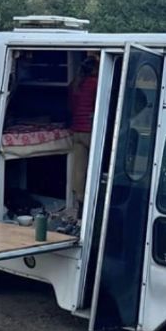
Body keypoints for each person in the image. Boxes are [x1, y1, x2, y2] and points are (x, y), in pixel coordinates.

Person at [68, 54, 99, 216]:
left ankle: (79, 205)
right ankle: (91, 206)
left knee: (79, 170)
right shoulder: (96, 84)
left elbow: (72, 106)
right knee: (94, 169)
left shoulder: (75, 84)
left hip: (76, 131)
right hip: (89, 131)